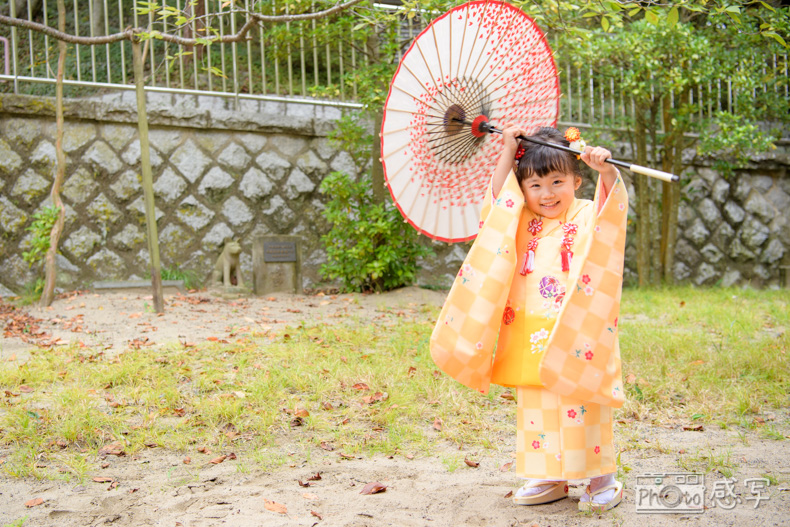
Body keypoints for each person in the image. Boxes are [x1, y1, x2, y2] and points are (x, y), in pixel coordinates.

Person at [430, 124, 629, 513]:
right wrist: (508, 149)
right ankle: (550, 474)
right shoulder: (519, 219)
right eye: (535, 185)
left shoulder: (587, 213)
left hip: (576, 328)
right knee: (536, 404)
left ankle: (601, 477)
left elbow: (611, 218)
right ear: (522, 189)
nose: (547, 194)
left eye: (557, 181)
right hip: (529, 331)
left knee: (581, 399)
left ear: (576, 178)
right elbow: (497, 204)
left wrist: (607, 171)